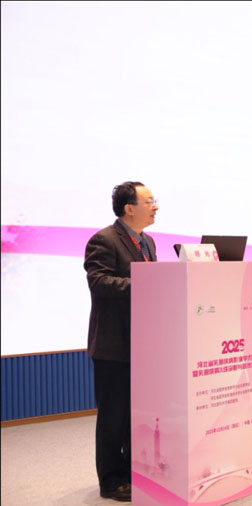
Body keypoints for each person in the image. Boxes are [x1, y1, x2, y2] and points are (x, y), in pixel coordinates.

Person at [84, 181, 159, 502]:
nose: (155, 206)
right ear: (129, 208)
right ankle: (111, 481)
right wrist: (146, 282)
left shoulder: (148, 241)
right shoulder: (104, 239)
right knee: (113, 417)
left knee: (136, 415)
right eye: (149, 201)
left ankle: (133, 471)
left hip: (143, 343)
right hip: (114, 344)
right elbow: (99, 282)